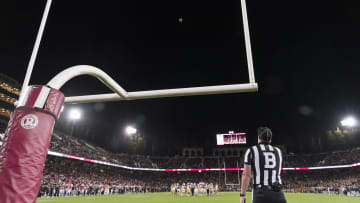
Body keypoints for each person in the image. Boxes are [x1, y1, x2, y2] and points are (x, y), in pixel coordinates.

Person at [240, 127, 287, 203]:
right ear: (270, 139)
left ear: (259, 138)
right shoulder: (278, 151)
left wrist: (242, 195)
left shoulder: (251, 151)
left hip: (260, 194)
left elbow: (246, 175)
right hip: (278, 194)